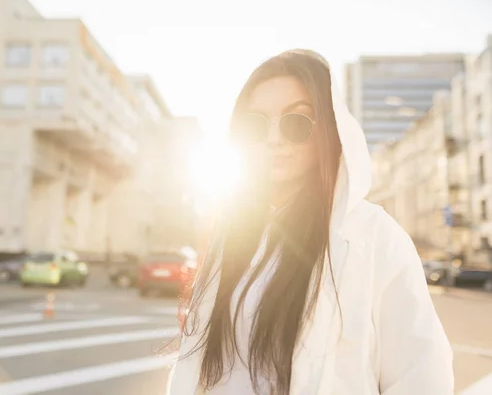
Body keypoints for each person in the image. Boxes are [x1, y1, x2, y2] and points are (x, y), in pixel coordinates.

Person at [167, 50, 453, 395]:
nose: (274, 139)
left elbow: (421, 377)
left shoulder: (374, 235)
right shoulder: (230, 238)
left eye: (296, 123)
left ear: (330, 130)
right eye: (256, 124)